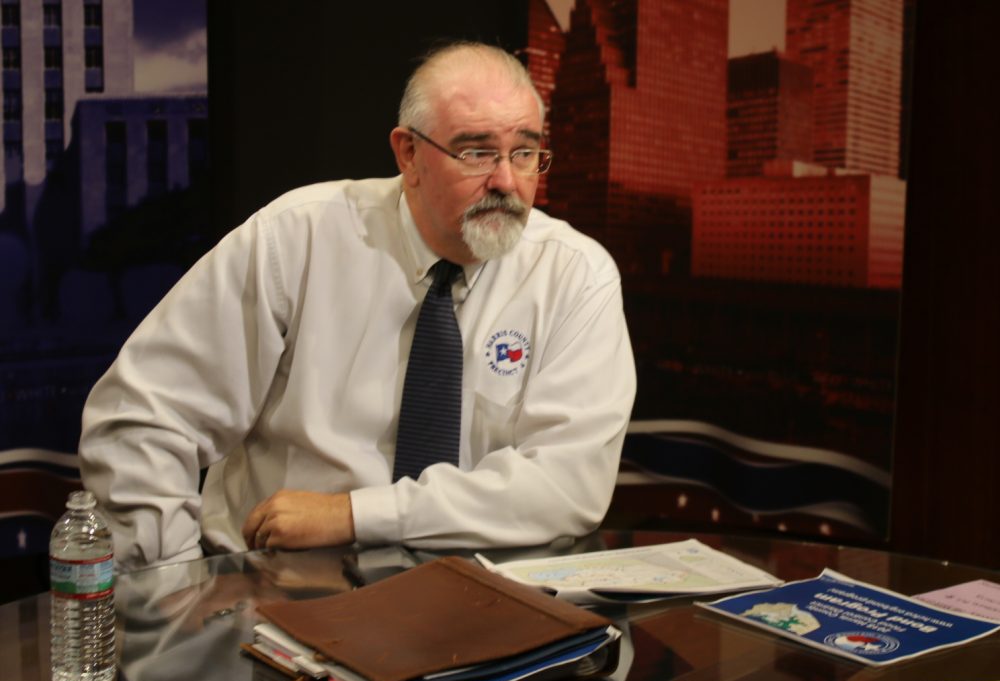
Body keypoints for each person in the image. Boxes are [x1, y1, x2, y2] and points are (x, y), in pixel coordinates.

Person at [79, 41, 637, 570]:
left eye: (525, 151)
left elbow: (569, 485)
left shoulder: (575, 275)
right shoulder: (298, 237)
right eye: (477, 151)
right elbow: (139, 422)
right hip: (280, 594)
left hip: (484, 603)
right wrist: (177, 593)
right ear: (409, 154)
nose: (507, 181)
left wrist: (355, 515)